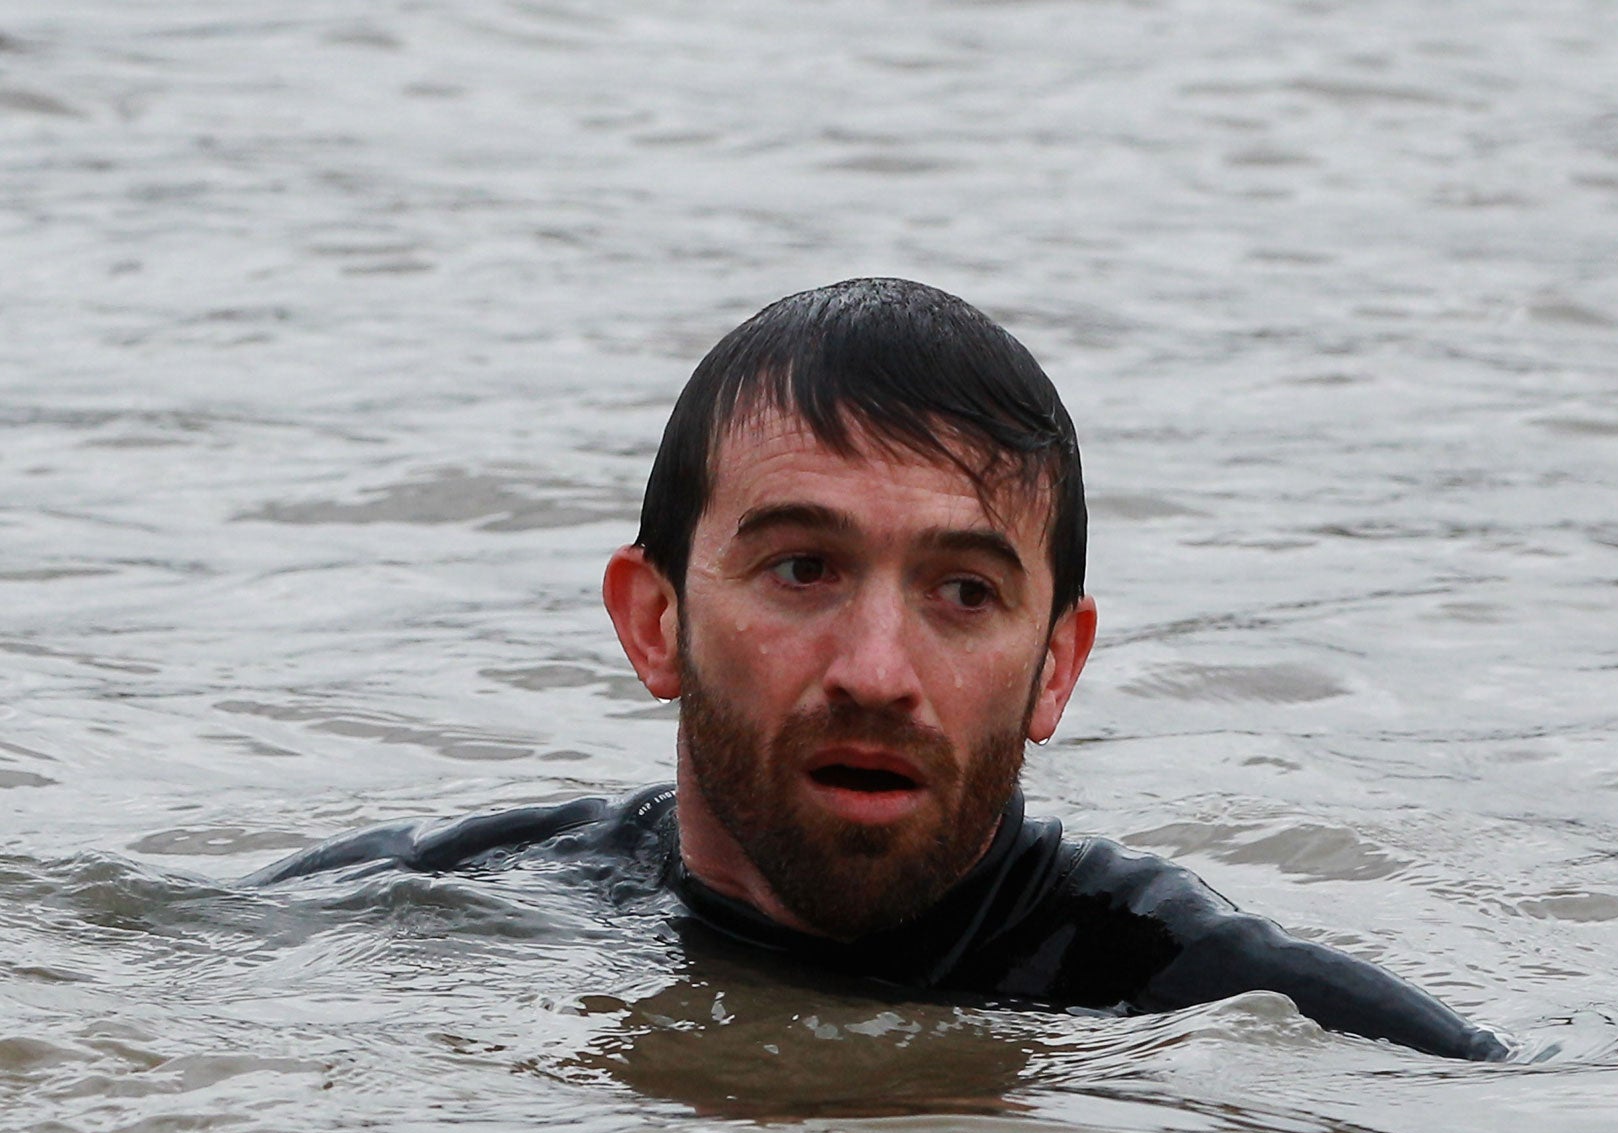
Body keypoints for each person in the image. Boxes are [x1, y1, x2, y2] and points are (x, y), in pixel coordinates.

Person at [261, 278, 1507, 1063]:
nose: (874, 671)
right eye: (801, 569)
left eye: (963, 593)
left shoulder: (1219, 1008)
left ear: (1054, 669)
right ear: (653, 623)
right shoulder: (432, 909)